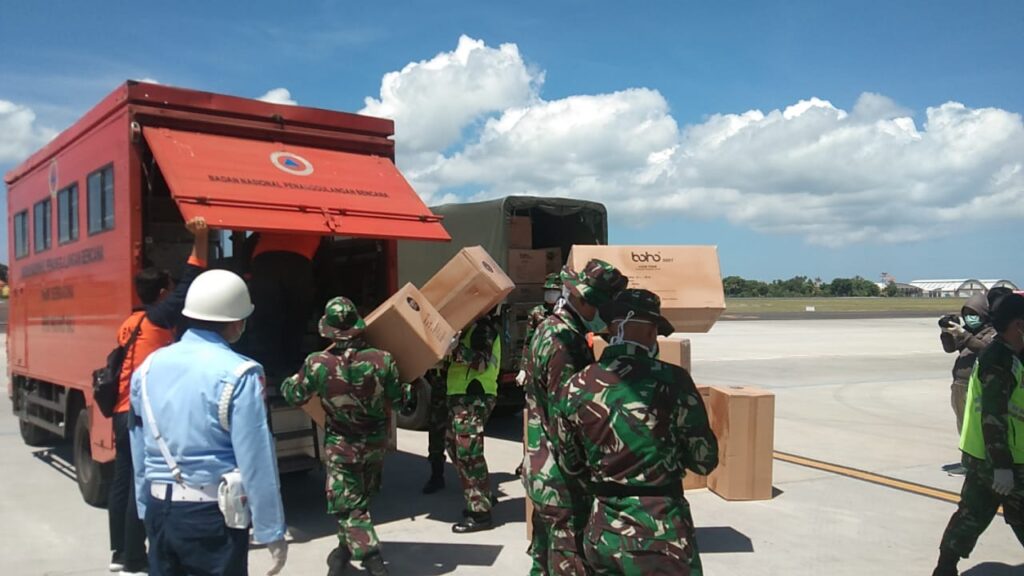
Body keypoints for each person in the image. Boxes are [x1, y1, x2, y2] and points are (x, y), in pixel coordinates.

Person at [130, 269, 288, 576]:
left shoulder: (147, 368)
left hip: (158, 507)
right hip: (211, 516)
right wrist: (271, 529)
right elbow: (256, 459)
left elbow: (139, 446)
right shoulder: (241, 373)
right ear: (236, 322)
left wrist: (143, 507)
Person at [553, 289, 718, 575]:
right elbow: (704, 460)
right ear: (651, 330)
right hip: (662, 534)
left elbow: (570, 464)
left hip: (603, 532)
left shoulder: (576, 386)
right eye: (656, 331)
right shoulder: (673, 380)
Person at [107, 217, 208, 575]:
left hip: (120, 411)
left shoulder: (130, 321)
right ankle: (136, 558)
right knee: (143, 484)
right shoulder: (159, 318)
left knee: (122, 484)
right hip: (138, 414)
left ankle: (119, 552)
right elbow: (191, 278)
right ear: (163, 292)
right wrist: (201, 237)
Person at [281, 296, 401, 576]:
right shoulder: (382, 360)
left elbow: (293, 394)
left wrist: (289, 380)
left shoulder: (317, 363)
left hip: (342, 446)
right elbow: (399, 402)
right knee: (358, 501)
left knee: (347, 505)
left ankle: (372, 560)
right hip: (374, 444)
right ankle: (343, 551)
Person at [522, 259, 627, 575]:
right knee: (570, 561)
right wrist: (584, 472)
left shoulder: (551, 328)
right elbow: (563, 418)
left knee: (542, 559)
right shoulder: (564, 343)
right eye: (597, 308)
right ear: (581, 300)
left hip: (542, 467)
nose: (601, 317)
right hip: (561, 479)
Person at [932, 293, 1024, 576]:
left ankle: (945, 568)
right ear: (1019, 326)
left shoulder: (1005, 352)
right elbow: (993, 417)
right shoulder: (999, 362)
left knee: (970, 516)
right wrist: (1002, 467)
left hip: (984, 456)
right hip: (1003, 459)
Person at [446, 312, 502, 533]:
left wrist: (454, 349)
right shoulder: (466, 329)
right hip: (460, 396)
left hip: (474, 395)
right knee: (454, 446)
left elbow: (480, 363)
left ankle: (479, 514)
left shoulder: (482, 329)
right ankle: (483, 496)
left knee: (469, 454)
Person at [246, 232, 321, 377]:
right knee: (295, 320)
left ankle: (269, 368)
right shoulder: (317, 223)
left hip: (264, 263)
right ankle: (289, 369)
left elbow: (249, 243)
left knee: (266, 320)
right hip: (299, 263)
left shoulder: (271, 223)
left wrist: (247, 272)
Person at [940, 294, 997, 433]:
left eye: (973, 314)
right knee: (963, 425)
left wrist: (963, 334)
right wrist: (946, 333)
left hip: (976, 387)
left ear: (983, 314)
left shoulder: (991, 332)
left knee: (976, 428)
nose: (969, 318)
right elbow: (950, 348)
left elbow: (983, 348)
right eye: (966, 314)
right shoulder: (969, 331)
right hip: (959, 385)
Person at [515, 273, 563, 387]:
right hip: (540, 362)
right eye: (548, 290)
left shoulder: (565, 312)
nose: (550, 294)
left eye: (554, 291)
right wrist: (523, 368)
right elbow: (528, 342)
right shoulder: (537, 313)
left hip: (560, 363)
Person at [420, 364, 449, 495]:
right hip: (439, 388)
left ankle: (476, 484)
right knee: (436, 432)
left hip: (460, 390)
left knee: (462, 440)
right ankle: (436, 476)